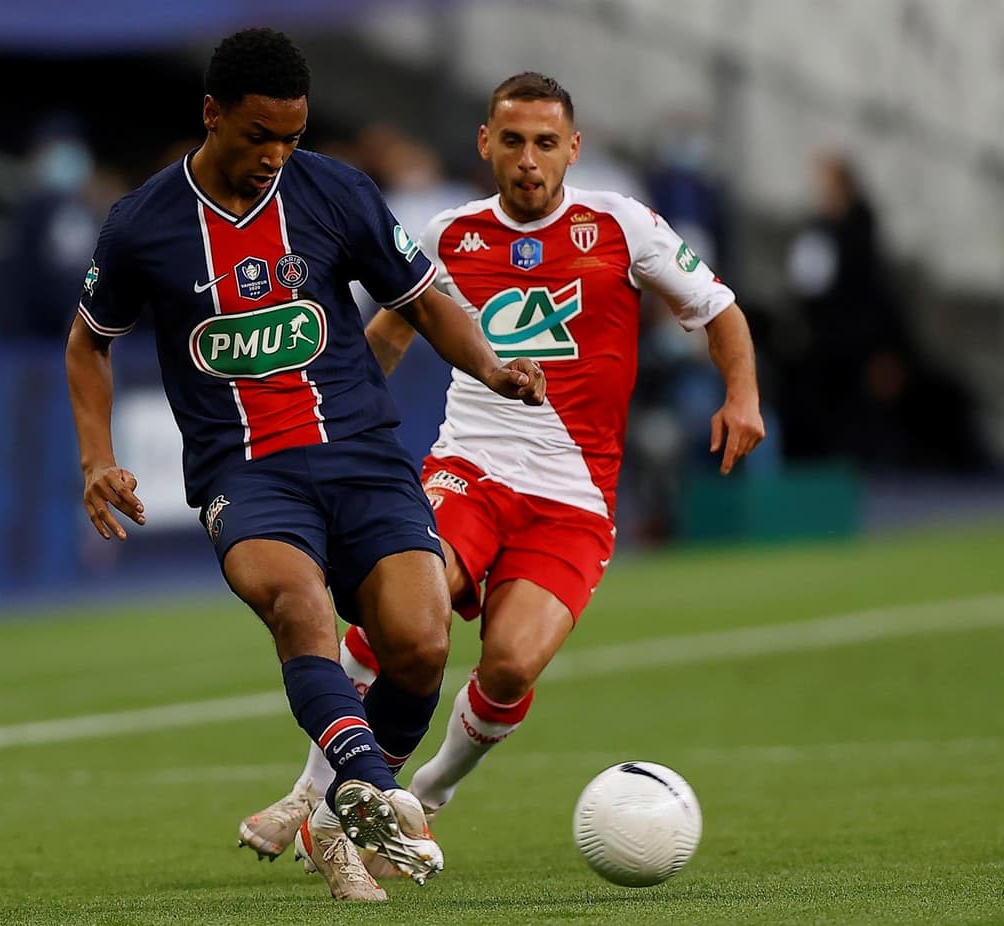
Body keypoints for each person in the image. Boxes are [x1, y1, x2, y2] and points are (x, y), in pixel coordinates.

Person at [239, 71, 765, 872]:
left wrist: (742, 395)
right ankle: (312, 795)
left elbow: (718, 307)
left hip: (574, 498)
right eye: (512, 141)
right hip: (468, 472)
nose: (529, 160)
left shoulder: (621, 225)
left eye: (546, 143)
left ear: (572, 149)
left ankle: (426, 798)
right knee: (406, 614)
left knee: (512, 663)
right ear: (485, 143)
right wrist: (328, 427)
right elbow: (389, 334)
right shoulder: (449, 235)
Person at [64, 30, 546, 902]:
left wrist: (490, 363)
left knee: (422, 640)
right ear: (212, 115)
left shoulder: (334, 192)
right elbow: (88, 344)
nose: (274, 156)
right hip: (243, 473)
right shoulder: (143, 224)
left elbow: (425, 301)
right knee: (299, 602)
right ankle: (368, 788)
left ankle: (334, 813)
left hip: (361, 453)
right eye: (258, 136)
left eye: (290, 136)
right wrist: (97, 458)